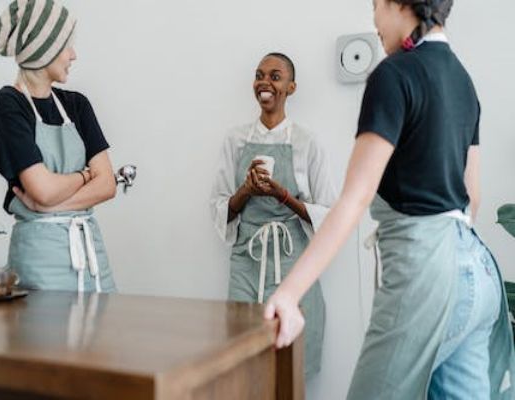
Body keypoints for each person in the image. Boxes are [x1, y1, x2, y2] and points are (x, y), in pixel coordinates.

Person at [265, 1, 515, 398]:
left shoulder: (394, 74)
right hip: (478, 274)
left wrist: (289, 294)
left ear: (400, 3)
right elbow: (472, 197)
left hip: (425, 273)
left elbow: (355, 198)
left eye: (376, 5)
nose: (374, 19)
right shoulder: (462, 80)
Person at [210, 53, 337, 378]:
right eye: (259, 75)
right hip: (246, 264)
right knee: (242, 359)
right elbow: (219, 207)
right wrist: (246, 191)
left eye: (275, 76)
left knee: (290, 367)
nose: (264, 82)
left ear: (291, 87)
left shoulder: (307, 142)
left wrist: (283, 196)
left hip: (294, 264)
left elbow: (330, 216)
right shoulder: (235, 140)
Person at [0, 0, 117, 293]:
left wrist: (46, 206)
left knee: (105, 323)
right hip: (40, 261)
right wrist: (86, 175)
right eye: (66, 46)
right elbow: (42, 190)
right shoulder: (9, 105)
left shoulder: (77, 105)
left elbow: (108, 185)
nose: (74, 55)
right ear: (43, 50)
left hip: (91, 258)